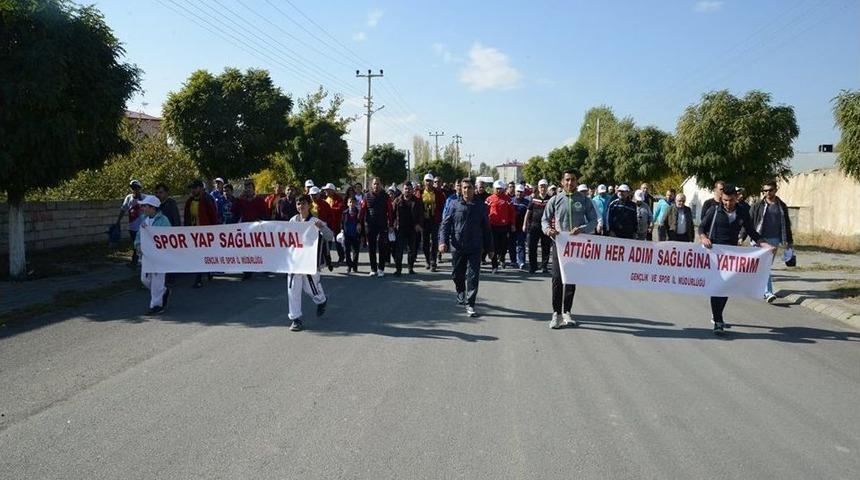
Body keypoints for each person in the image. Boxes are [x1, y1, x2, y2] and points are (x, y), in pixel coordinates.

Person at [699, 184, 773, 333]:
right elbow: (701, 227)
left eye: (731, 200)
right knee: (717, 287)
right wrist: (703, 238)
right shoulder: (714, 210)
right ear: (721, 198)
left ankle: (717, 314)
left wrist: (765, 244)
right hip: (715, 255)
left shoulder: (742, 212)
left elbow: (752, 232)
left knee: (726, 288)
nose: (728, 203)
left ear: (736, 198)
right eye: (725, 200)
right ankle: (718, 321)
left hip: (732, 256)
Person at [542, 169, 598, 329]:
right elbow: (545, 220)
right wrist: (548, 230)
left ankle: (567, 311)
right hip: (559, 244)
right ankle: (556, 314)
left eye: (573, 180)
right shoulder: (555, 199)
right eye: (567, 180)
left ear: (576, 182)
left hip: (576, 246)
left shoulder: (585, 200)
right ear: (562, 182)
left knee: (571, 279)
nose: (570, 183)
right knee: (557, 279)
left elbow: (594, 220)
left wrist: (583, 228)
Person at [439, 177, 493, 318]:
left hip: (475, 246)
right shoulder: (454, 204)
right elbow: (445, 224)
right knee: (457, 274)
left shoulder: (481, 206)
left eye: (469, 187)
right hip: (458, 246)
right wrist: (442, 241)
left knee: (473, 276)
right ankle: (460, 291)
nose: (466, 190)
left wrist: (490, 248)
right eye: (464, 187)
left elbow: (486, 228)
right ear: (460, 189)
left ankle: (470, 304)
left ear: (473, 189)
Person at [286, 194, 332, 332]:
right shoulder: (293, 220)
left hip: (310, 262)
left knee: (310, 288)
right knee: (293, 288)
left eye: (303, 203)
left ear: (309, 205)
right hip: (295, 261)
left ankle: (321, 301)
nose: (301, 206)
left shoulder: (314, 221)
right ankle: (296, 318)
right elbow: (284, 237)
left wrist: (322, 227)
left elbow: (330, 236)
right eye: (298, 204)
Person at [750, 181, 794, 303]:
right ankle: (768, 292)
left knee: (765, 266)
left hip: (774, 239)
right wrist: (741, 237)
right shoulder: (758, 205)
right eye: (765, 191)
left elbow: (786, 224)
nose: (768, 193)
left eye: (770, 190)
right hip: (759, 239)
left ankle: (763, 289)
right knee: (763, 266)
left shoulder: (781, 206)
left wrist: (789, 241)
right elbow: (749, 222)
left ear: (775, 190)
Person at [134, 195, 172, 315]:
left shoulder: (164, 221)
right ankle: (163, 292)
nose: (143, 208)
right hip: (146, 256)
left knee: (157, 281)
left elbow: (168, 237)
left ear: (152, 208)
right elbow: (139, 236)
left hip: (159, 257)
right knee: (145, 279)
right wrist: (138, 245)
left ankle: (156, 306)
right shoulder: (143, 219)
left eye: (145, 206)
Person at [184, 179, 219, 288]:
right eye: (192, 188)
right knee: (197, 254)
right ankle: (204, 273)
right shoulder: (190, 201)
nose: (193, 190)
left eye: (195, 188)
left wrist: (215, 231)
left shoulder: (207, 199)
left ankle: (199, 277)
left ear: (200, 188)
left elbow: (213, 216)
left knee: (202, 254)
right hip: (194, 232)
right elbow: (187, 217)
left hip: (205, 232)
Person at [359, 177, 394, 277]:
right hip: (371, 225)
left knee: (382, 246)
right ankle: (373, 269)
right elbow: (362, 211)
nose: (376, 186)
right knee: (371, 247)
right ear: (371, 185)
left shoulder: (386, 196)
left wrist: (391, 224)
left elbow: (390, 211)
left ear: (381, 185)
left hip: (382, 225)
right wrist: (359, 223)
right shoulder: (366, 196)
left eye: (378, 184)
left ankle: (381, 269)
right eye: (374, 184)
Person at [392, 181, 424, 276]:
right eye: (406, 189)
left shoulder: (417, 201)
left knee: (412, 250)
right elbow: (392, 213)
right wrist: (392, 222)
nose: (407, 191)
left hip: (412, 228)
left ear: (412, 190)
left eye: (409, 189)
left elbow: (421, 215)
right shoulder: (397, 200)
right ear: (403, 190)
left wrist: (419, 224)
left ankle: (411, 268)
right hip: (400, 228)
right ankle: (398, 269)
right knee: (399, 250)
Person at [486, 179, 515, 273]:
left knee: (504, 246)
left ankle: (502, 258)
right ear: (494, 189)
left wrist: (513, 224)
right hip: (493, 226)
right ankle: (494, 266)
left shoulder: (508, 199)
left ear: (503, 189)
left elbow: (512, 212)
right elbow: (485, 211)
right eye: (497, 188)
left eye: (500, 189)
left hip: (504, 226)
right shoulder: (489, 199)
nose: (498, 190)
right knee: (494, 246)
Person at [524, 179, 552, 274]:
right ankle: (533, 266)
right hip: (534, 226)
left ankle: (544, 266)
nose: (543, 188)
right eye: (541, 186)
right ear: (538, 188)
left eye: (544, 186)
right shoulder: (534, 198)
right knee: (532, 247)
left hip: (546, 227)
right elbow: (528, 212)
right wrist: (525, 224)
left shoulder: (551, 199)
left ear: (547, 187)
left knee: (546, 247)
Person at [116, 179, 145, 268]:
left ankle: (136, 262)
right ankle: (136, 261)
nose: (135, 190)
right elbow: (123, 209)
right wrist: (118, 221)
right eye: (133, 188)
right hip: (132, 226)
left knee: (141, 245)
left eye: (136, 188)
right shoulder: (129, 198)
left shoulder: (145, 198)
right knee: (135, 245)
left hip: (143, 227)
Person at [420, 173, 446, 272]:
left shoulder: (439, 194)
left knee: (435, 242)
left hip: (435, 221)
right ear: (424, 182)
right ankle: (427, 260)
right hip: (424, 221)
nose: (428, 183)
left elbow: (443, 207)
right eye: (426, 181)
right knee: (425, 243)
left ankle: (433, 262)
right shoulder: (420, 193)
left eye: (430, 181)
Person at [509, 184, 529, 269]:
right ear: (515, 191)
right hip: (512, 226)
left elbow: (529, 215)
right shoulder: (511, 201)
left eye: (521, 192)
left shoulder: (527, 202)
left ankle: (521, 261)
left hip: (522, 227)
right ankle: (513, 261)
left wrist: (527, 224)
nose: (519, 193)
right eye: (518, 191)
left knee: (521, 244)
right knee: (512, 244)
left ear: (523, 193)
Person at [341, 196, 361, 273]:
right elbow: (342, 223)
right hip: (347, 234)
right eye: (350, 202)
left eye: (353, 202)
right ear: (347, 203)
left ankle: (355, 266)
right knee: (347, 251)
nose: (351, 204)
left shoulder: (358, 212)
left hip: (356, 234)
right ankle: (349, 265)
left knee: (356, 251)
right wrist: (342, 231)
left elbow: (361, 221)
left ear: (355, 203)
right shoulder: (344, 213)